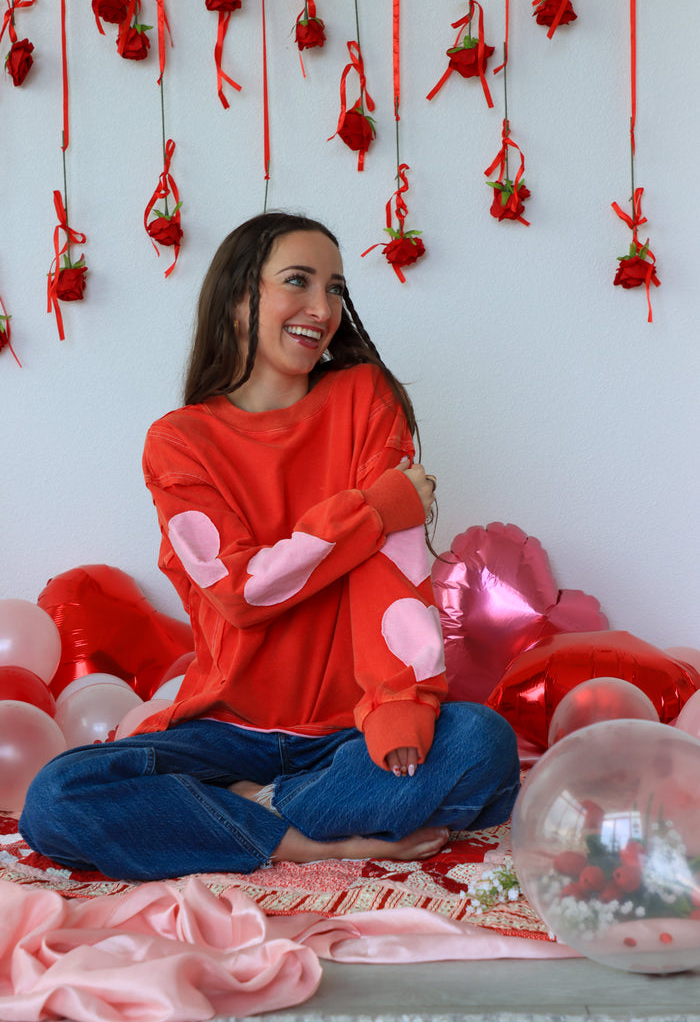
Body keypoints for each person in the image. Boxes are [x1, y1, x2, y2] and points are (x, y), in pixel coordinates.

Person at [20, 212, 519, 881]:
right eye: (298, 281)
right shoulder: (179, 441)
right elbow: (242, 591)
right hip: (224, 735)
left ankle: (243, 811)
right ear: (237, 300)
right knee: (55, 798)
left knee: (481, 744)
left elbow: (391, 567)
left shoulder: (364, 397)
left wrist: (399, 703)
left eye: (335, 288)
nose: (323, 308)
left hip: (349, 733)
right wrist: (374, 509)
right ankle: (312, 839)